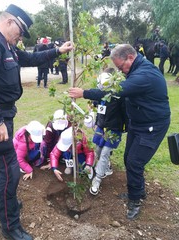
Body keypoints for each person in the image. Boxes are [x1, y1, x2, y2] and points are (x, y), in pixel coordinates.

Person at [0, 4, 73, 240]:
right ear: (9, 22)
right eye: (20, 31)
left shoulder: (6, 44)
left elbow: (31, 57)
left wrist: (58, 51)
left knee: (0, 163)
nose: (20, 36)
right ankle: (10, 226)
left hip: (1, 115)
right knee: (10, 171)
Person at [68, 44, 170, 220]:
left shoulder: (144, 75)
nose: (121, 71)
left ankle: (135, 200)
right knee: (128, 159)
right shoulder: (136, 70)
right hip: (138, 124)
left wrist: (84, 93)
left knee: (134, 162)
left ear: (130, 57)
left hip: (151, 127)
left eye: (121, 67)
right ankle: (138, 191)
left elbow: (115, 91)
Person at [88, 68, 127, 196]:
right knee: (98, 150)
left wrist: (126, 126)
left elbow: (125, 113)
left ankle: (97, 179)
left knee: (104, 153)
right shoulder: (100, 95)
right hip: (101, 127)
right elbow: (97, 103)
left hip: (113, 129)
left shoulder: (118, 97)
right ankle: (107, 166)